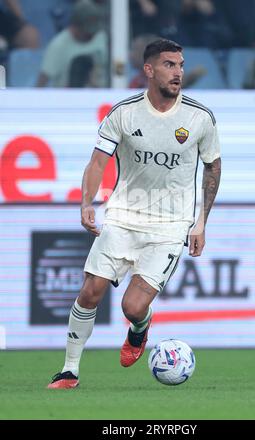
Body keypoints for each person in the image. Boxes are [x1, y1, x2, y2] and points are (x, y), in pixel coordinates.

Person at [47, 38, 221, 389]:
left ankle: (139, 330)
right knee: (90, 291)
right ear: (149, 69)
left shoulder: (199, 117)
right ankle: (69, 370)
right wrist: (86, 202)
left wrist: (201, 221)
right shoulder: (124, 113)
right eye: (170, 65)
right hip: (123, 216)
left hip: (170, 226)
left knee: (132, 307)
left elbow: (213, 168)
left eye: (181, 65)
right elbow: (98, 161)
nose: (178, 72)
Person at [36, 0, 108, 87]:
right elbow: (42, 81)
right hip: (68, 97)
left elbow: (119, 68)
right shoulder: (59, 46)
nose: (92, 34)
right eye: (88, 31)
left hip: (102, 95)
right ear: (75, 26)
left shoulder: (102, 37)